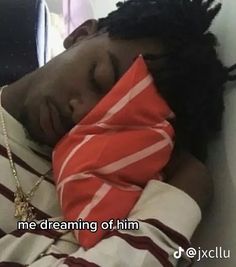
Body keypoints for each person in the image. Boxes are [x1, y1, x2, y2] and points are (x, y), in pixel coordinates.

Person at [0, 0, 235, 266]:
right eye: (97, 78)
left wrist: (183, 197)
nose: (82, 113)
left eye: (117, 118)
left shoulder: (92, 211)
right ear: (79, 35)